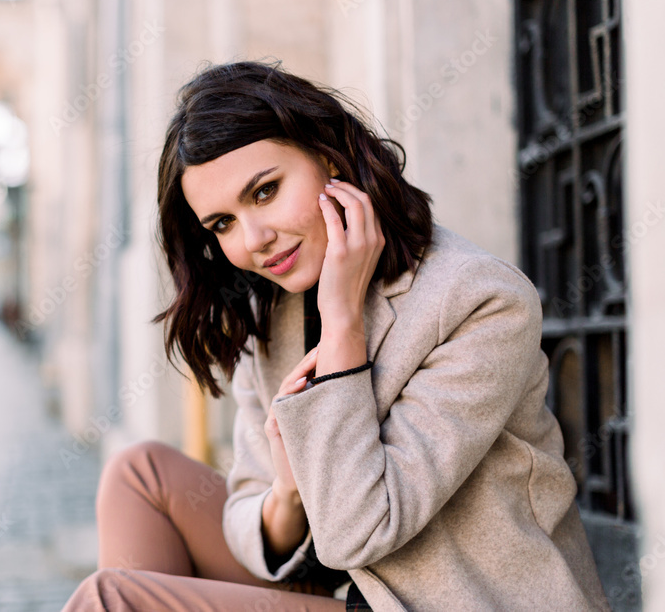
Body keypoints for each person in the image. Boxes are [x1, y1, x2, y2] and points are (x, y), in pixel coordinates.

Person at [62, 61, 611, 611]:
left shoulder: (479, 301)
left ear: (328, 158)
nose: (255, 239)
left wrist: (342, 320)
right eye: (223, 223)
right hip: (339, 582)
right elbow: (252, 510)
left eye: (265, 191)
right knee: (139, 475)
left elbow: (360, 530)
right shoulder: (270, 312)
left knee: (113, 599)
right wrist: (288, 493)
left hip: (432, 599)